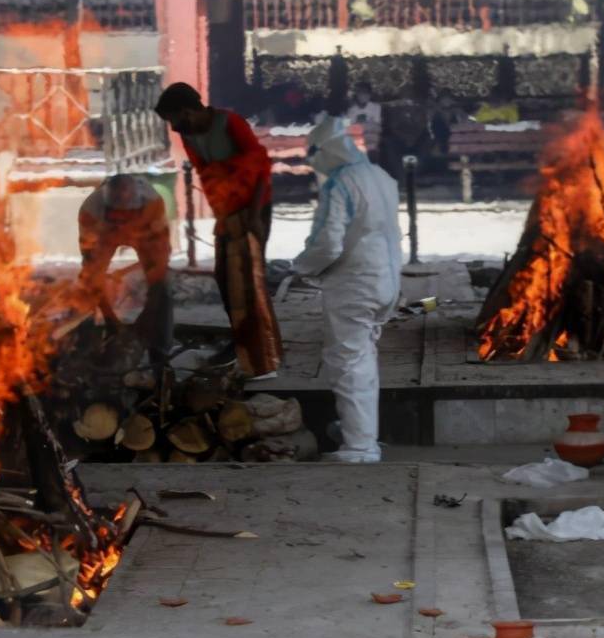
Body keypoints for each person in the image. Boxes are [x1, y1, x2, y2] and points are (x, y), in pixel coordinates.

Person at [154, 82, 283, 380]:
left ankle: (262, 360)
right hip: (229, 212)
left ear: (187, 111)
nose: (173, 127)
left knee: (250, 280)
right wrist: (223, 217)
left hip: (255, 207)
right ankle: (244, 344)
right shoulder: (190, 136)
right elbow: (207, 177)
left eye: (174, 119)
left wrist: (253, 217)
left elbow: (260, 166)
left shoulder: (231, 123)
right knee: (225, 278)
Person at [293, 117, 403, 463]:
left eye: (314, 156)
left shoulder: (340, 184)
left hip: (354, 283)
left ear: (325, 151)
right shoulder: (381, 177)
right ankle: (359, 430)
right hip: (386, 281)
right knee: (364, 359)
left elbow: (328, 244)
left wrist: (301, 268)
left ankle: (360, 447)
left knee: (348, 363)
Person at [78, 174, 172, 368]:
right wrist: (111, 320)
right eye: (117, 217)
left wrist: (147, 318)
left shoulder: (153, 205)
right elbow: (92, 271)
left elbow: (160, 267)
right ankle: (84, 347)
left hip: (145, 233)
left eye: (127, 216)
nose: (122, 224)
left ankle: (159, 352)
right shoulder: (90, 212)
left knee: (163, 288)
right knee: (86, 288)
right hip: (105, 235)